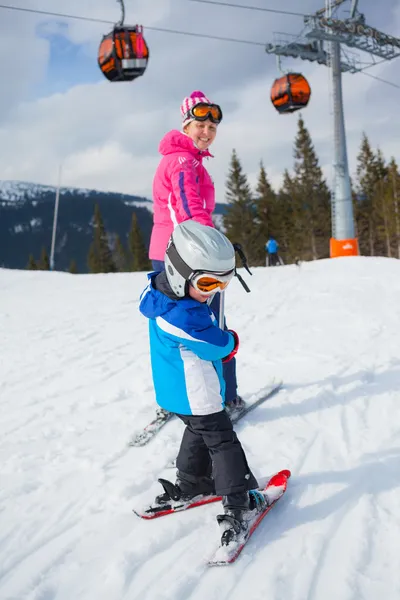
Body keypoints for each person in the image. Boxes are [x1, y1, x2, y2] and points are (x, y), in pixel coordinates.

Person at [139, 220, 267, 544]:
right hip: (198, 394)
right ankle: (239, 503)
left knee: (197, 430)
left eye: (222, 284)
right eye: (208, 284)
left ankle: (193, 481)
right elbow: (219, 345)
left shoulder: (155, 292)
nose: (216, 292)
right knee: (223, 442)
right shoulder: (187, 318)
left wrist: (207, 289)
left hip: (175, 394)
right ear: (180, 275)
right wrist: (231, 340)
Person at [148, 89, 243, 413]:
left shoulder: (182, 159)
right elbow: (188, 209)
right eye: (200, 126)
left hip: (169, 254)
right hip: (187, 258)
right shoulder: (183, 161)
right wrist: (213, 247)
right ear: (186, 126)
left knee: (170, 330)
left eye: (212, 128)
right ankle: (224, 397)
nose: (207, 132)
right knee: (208, 326)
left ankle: (173, 397)